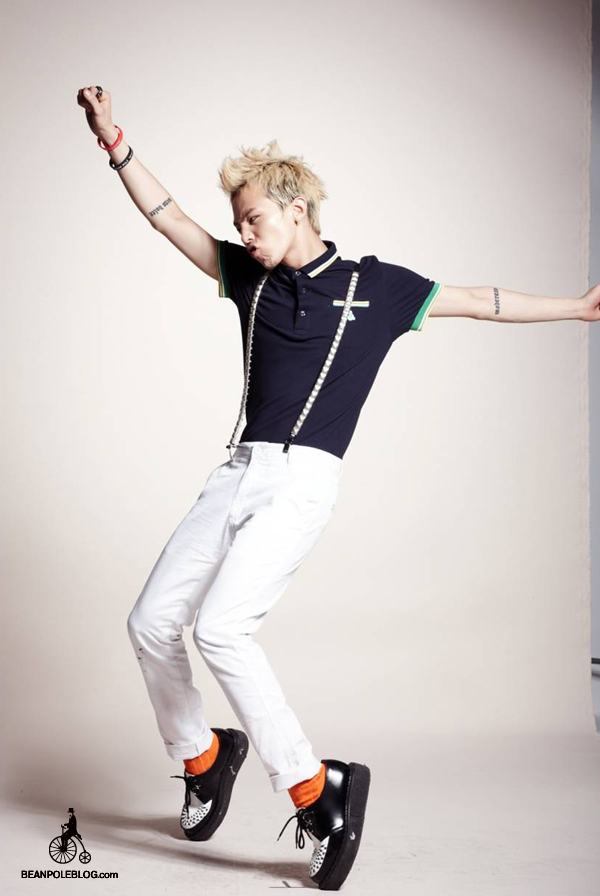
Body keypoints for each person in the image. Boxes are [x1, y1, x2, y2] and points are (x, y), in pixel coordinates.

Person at [77, 84, 600, 891]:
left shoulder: (375, 286)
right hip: (237, 469)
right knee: (149, 622)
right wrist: (116, 144)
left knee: (223, 631)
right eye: (239, 222)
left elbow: (479, 302)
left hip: (302, 482)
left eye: (255, 218)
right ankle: (204, 758)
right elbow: (168, 218)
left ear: (296, 210)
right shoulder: (248, 279)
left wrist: (579, 308)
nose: (244, 233)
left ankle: (317, 792)